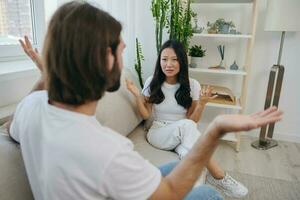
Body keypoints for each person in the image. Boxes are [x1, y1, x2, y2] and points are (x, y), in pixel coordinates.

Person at [5, 1, 282, 200]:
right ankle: (217, 181)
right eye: (119, 47)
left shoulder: (30, 108)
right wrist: (217, 129)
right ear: (104, 60)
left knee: (178, 166)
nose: (124, 49)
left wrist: (48, 73)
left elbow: (12, 128)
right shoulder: (108, 149)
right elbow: (170, 193)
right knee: (207, 194)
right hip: (148, 148)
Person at [126, 40, 247, 198]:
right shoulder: (152, 82)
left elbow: (192, 120)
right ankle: (219, 176)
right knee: (187, 127)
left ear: (181, 61)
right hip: (158, 132)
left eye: (174, 59)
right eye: (164, 59)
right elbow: (146, 115)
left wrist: (202, 103)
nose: (168, 64)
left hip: (183, 134)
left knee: (193, 160)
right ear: (159, 61)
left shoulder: (193, 85)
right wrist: (137, 95)